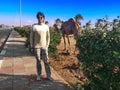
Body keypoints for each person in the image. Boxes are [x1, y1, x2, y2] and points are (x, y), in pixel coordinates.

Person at [30, 12, 52, 81]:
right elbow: (31, 37)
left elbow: (48, 37)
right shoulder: (34, 26)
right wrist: (32, 46)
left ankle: (49, 76)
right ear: (37, 18)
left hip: (44, 47)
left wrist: (47, 45)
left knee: (46, 61)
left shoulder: (46, 26)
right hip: (36, 47)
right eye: (38, 17)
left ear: (43, 18)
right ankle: (39, 75)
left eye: (41, 17)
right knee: (38, 61)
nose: (40, 19)